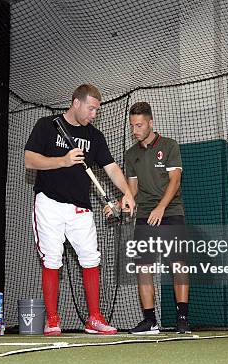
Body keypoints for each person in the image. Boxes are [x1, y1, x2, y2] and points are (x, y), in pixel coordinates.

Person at [25, 84, 135, 336]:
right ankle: (52, 320)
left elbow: (111, 168)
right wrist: (62, 161)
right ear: (76, 102)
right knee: (52, 260)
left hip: (80, 207)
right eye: (91, 108)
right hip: (49, 203)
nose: (94, 114)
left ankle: (94, 319)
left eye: (97, 110)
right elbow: (29, 160)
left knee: (91, 259)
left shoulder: (95, 137)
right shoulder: (46, 125)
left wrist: (127, 192)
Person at [106, 101, 190, 334]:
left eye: (139, 125)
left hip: (171, 212)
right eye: (132, 126)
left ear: (151, 123)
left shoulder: (170, 146)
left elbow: (175, 181)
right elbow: (132, 189)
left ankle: (182, 317)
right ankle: (150, 320)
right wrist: (121, 202)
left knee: (178, 265)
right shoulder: (130, 155)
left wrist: (161, 207)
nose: (135, 130)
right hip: (144, 215)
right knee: (143, 268)